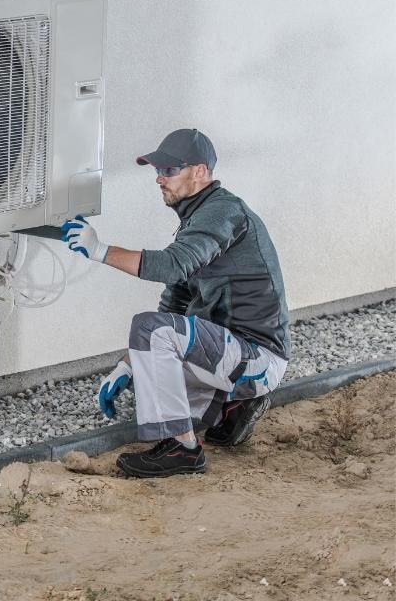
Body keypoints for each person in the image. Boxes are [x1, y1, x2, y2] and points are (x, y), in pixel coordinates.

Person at [59, 129, 290, 478]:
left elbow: (172, 265)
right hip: (231, 352)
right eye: (158, 171)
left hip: (257, 356)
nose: (159, 179)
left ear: (199, 171)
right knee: (150, 369)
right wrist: (129, 364)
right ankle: (232, 409)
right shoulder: (197, 220)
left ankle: (183, 450)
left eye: (169, 171)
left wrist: (100, 251)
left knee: (148, 332)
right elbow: (174, 303)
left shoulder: (223, 211)